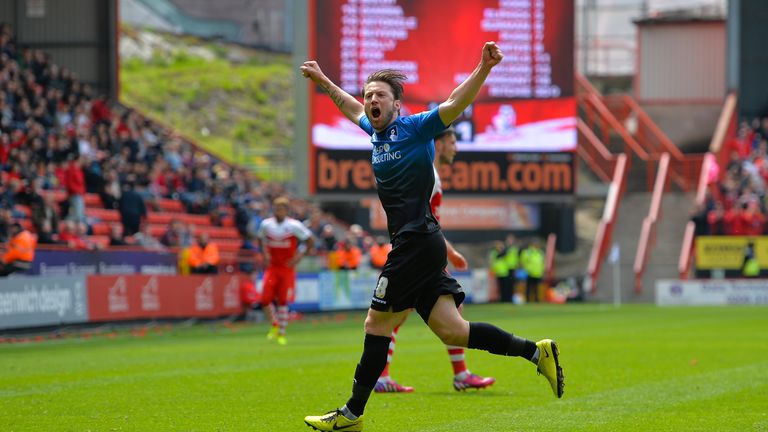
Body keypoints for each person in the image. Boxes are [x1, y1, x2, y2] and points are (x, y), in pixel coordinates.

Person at [301, 42, 564, 431]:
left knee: (376, 324)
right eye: (369, 94)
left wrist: (483, 68)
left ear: (396, 106)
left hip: (414, 242)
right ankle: (535, 352)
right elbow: (349, 106)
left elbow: (456, 103)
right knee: (453, 331)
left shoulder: (415, 127)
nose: (371, 100)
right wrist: (323, 80)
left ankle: (352, 414)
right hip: (422, 243)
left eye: (380, 96)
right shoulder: (374, 133)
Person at [375, 126, 495, 394]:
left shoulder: (428, 173)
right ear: (438, 144)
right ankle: (459, 374)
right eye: (452, 142)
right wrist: (446, 252)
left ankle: (385, 377)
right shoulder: (428, 175)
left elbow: (428, 221)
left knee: (396, 316)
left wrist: (448, 251)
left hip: (419, 252)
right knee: (397, 316)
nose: (456, 148)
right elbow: (422, 221)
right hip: (418, 255)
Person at [256, 196, 315, 345]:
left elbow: (310, 240)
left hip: (287, 268)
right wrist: (264, 254)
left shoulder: (294, 226)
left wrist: (299, 257)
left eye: (281, 209)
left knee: (282, 301)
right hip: (272, 267)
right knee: (264, 299)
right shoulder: (266, 224)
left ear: (286, 211)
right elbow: (260, 239)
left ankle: (281, 333)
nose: (278, 212)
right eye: (276, 209)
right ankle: (275, 323)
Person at [521, 239, 545, 303]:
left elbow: (542, 262)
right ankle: (527, 300)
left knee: (536, 288)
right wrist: (527, 269)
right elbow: (523, 261)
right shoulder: (528, 252)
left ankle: (536, 299)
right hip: (530, 272)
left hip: (538, 273)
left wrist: (542, 270)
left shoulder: (540, 252)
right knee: (529, 287)